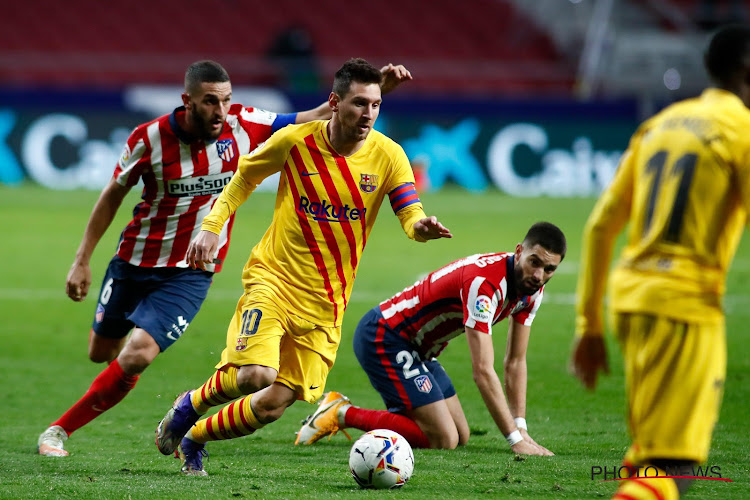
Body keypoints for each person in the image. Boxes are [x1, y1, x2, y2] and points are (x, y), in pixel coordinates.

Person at [37, 59, 415, 457]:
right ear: (187, 101)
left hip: (190, 270)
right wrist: (82, 259)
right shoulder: (147, 139)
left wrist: (373, 99)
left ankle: (60, 431)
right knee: (102, 352)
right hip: (135, 259)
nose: (221, 111)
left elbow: (320, 115)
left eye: (227, 101)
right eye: (210, 102)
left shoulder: (244, 123)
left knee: (138, 354)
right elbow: (112, 193)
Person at [154, 57, 452, 476]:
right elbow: (243, 179)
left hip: (326, 302)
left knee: (274, 404)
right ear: (334, 102)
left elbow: (409, 213)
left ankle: (195, 436)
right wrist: (211, 226)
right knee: (256, 375)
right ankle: (190, 404)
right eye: (358, 103)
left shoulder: (389, 156)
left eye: (375, 105)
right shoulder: (296, 141)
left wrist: (421, 227)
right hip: (273, 279)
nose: (367, 114)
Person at [570, 25, 750, 500]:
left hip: (630, 302)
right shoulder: (742, 131)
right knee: (679, 466)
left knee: (650, 453)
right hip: (686, 305)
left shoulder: (660, 125)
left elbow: (599, 227)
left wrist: (589, 326)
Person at [296, 222, 565, 456]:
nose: (539, 275)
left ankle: (399, 417)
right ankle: (341, 412)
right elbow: (483, 371)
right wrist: (514, 441)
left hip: (418, 350)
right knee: (442, 438)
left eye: (549, 269)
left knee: (461, 434)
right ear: (519, 251)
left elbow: (515, 362)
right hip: (385, 337)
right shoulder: (484, 285)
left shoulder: (532, 292)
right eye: (534, 262)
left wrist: (521, 427)